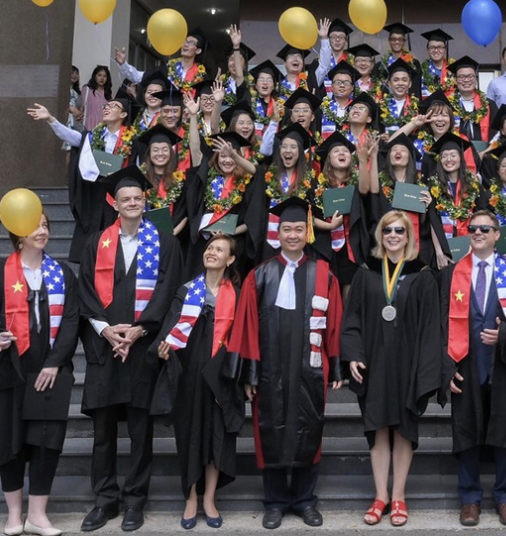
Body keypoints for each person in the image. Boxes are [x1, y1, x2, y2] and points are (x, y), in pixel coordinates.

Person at [77, 166, 183, 532]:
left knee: (141, 431)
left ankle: (135, 500)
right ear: (115, 204)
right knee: (104, 433)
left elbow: (169, 291)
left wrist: (139, 331)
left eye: (138, 197)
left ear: (145, 201)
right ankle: (105, 500)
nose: (133, 203)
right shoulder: (97, 242)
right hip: (105, 348)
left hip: (142, 348)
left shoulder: (164, 241)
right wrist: (107, 330)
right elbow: (86, 290)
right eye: (126, 199)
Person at [229, 197, 345, 530]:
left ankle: (305, 500)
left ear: (307, 232)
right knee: (271, 431)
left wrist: (335, 366)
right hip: (270, 369)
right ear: (277, 233)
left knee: (310, 430)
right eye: (286, 229)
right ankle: (276, 501)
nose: (292, 235)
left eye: (298, 229)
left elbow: (334, 320)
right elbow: (247, 326)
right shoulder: (260, 275)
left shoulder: (324, 273)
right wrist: (249, 373)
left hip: (310, 368)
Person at [0, 213, 79, 536]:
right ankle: (14, 514)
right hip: (9, 371)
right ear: (18, 232)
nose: (42, 230)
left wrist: (55, 362)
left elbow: (71, 321)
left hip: (49, 370)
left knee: (47, 441)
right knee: (8, 439)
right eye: (35, 225)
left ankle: (38, 515)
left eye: (46, 224)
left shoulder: (62, 274)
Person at [341, 210, 442, 526]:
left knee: (403, 428)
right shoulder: (366, 272)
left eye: (400, 230)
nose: (394, 235)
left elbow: (430, 327)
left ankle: (398, 496)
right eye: (388, 231)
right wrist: (354, 354)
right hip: (374, 360)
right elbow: (352, 318)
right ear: (380, 236)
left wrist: (426, 370)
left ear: (409, 236)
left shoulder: (422, 275)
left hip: (407, 362)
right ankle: (380, 495)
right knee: (378, 428)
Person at [438, 210, 506, 527]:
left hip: (504, 364)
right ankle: (469, 499)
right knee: (466, 430)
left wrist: (505, 334)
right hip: (465, 362)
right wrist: (447, 366)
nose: (478, 232)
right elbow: (441, 323)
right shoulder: (453, 274)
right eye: (473, 228)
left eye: (485, 228)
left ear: (497, 235)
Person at [154, 234, 247, 530]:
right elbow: (171, 326)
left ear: (230, 259)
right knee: (191, 434)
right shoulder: (187, 291)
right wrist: (164, 344)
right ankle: (190, 498)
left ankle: (209, 498)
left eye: (219, 249)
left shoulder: (238, 294)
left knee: (217, 436)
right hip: (191, 373)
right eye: (209, 247)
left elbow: (244, 335)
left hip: (222, 375)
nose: (212, 252)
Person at [27, 93, 137, 263]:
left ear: (123, 115)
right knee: (91, 248)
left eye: (113, 106)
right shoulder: (93, 137)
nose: (107, 108)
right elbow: (71, 136)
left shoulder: (133, 141)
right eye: (106, 106)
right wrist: (50, 119)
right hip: (94, 196)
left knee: (115, 250)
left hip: (118, 196)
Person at [185, 131, 254, 278]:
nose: (227, 160)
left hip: (233, 246)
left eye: (232, 156)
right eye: (223, 156)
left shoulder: (248, 183)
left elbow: (253, 220)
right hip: (204, 243)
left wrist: (229, 232)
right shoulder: (208, 178)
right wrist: (192, 115)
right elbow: (196, 150)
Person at [245, 123, 315, 264]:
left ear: (300, 152)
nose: (288, 150)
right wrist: (233, 155)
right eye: (284, 146)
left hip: (296, 240)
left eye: (293, 147)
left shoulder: (308, 180)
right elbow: (254, 170)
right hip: (268, 240)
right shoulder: (270, 175)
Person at [311, 133, 371, 291]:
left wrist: (363, 160)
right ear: (328, 159)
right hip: (325, 246)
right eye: (336, 151)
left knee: (348, 292)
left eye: (345, 151)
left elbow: (365, 190)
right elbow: (307, 217)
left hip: (350, 247)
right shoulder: (318, 187)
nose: (342, 153)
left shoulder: (356, 184)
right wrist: (329, 226)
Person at [426, 133, 490, 270]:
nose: (448, 159)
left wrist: (474, 245)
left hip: (470, 246)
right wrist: (438, 252)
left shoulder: (473, 184)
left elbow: (481, 215)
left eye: (453, 155)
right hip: (443, 249)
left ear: (461, 158)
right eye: (444, 156)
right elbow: (433, 221)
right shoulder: (433, 186)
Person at [135, 124, 190, 239]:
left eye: (165, 150)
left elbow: (184, 214)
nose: (160, 154)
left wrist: (171, 235)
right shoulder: (140, 179)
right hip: (142, 236)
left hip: (172, 238)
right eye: (155, 150)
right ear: (149, 154)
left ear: (171, 153)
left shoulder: (179, 181)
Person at [116, 30, 208, 94]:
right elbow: (138, 77)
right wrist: (123, 64)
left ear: (198, 51)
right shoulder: (167, 69)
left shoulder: (201, 76)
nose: (185, 45)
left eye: (190, 43)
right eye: (184, 41)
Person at [448, 56, 493, 142]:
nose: (466, 80)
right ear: (456, 80)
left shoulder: (489, 104)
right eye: (461, 77)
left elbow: (496, 133)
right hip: (455, 152)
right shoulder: (448, 104)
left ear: (476, 79)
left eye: (470, 76)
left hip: (483, 153)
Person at [309, 17, 351, 97]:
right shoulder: (317, 63)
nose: (337, 40)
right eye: (333, 37)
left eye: (341, 37)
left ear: (346, 41)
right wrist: (324, 38)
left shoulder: (351, 62)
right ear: (329, 40)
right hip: (324, 105)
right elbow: (317, 80)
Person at [378, 58, 419, 135]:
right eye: (396, 80)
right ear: (389, 84)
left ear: (410, 84)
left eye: (404, 80)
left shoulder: (417, 107)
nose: (400, 83)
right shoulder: (381, 106)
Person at [318, 61, 357, 139]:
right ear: (332, 86)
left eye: (346, 82)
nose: (342, 85)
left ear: (352, 88)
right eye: (338, 82)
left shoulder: (357, 108)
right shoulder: (321, 109)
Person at [420, 28, 456, 97]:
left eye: (439, 47)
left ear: (445, 50)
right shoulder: (421, 70)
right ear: (428, 50)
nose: (436, 50)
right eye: (432, 47)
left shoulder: (453, 69)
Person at [82, 65, 113, 131]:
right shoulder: (87, 89)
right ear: (95, 76)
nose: (102, 78)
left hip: (103, 126)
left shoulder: (107, 93)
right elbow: (81, 106)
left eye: (104, 76)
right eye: (99, 75)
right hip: (88, 124)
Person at [64, 66, 84, 162]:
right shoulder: (63, 89)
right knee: (68, 151)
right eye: (72, 73)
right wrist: (72, 109)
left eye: (76, 73)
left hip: (77, 124)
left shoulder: (77, 92)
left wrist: (80, 113)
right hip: (67, 123)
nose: (74, 75)